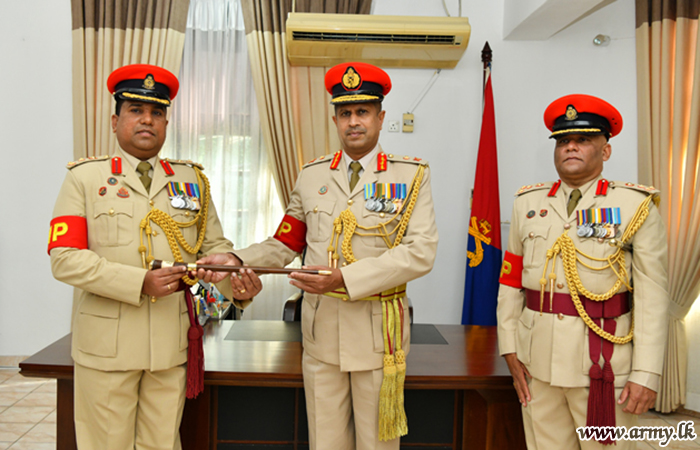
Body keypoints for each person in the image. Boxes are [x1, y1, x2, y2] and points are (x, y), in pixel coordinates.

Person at [200, 61, 439, 449]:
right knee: (325, 443)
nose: (353, 121)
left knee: (377, 445)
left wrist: (345, 279)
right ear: (334, 120)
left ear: (380, 118)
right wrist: (238, 260)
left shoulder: (411, 176)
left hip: (379, 338)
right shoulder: (312, 175)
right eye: (345, 113)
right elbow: (285, 243)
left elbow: (421, 252)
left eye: (362, 112)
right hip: (321, 334)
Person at [48, 63, 261, 450]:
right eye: (136, 110)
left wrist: (237, 285)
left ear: (166, 122)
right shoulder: (85, 179)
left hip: (169, 344)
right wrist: (139, 282)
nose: (147, 119)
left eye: (157, 112)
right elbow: (65, 258)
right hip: (106, 346)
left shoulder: (191, 181)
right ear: (115, 121)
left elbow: (213, 251)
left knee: (163, 445)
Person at [496, 94, 669, 449]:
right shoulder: (527, 204)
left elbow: (652, 297)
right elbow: (511, 282)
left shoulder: (634, 206)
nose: (570, 147)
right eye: (563, 141)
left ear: (606, 151)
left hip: (602, 366)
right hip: (536, 363)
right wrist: (509, 348)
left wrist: (646, 373)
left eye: (583, 140)